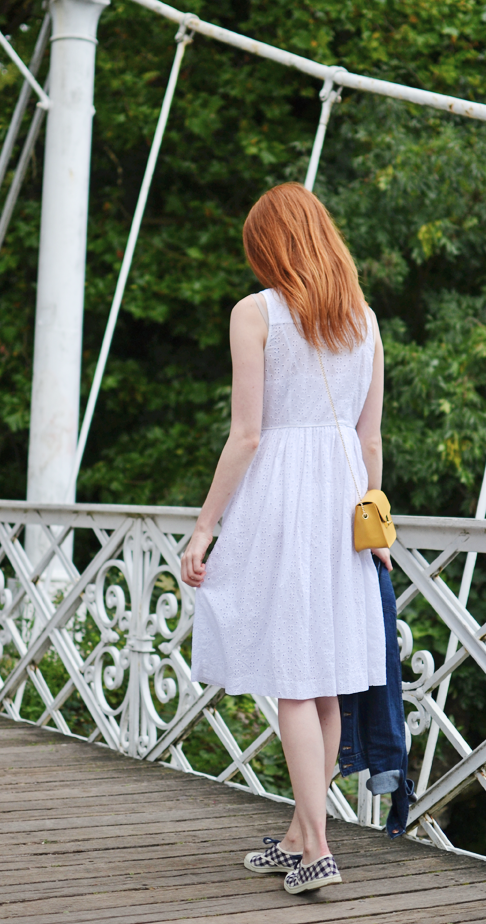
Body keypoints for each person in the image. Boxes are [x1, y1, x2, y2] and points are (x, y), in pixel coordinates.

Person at [181, 182, 391, 895]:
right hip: (341, 500)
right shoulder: (363, 319)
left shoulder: (257, 313)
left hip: (284, 498)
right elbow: (370, 438)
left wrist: (205, 527)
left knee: (295, 683)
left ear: (270, 246)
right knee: (322, 679)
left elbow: (246, 433)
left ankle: (319, 848)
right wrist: (374, 516)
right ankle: (303, 830)